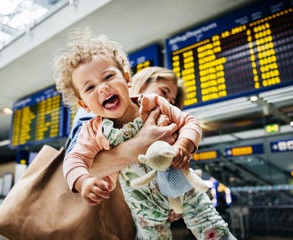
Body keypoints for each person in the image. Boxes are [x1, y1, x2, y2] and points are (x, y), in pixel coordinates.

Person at [53, 30, 234, 240]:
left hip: (179, 184)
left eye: (109, 76)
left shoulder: (154, 105)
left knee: (209, 223)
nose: (103, 87)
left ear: (126, 78)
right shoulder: (92, 131)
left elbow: (190, 122)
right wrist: (83, 181)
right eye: (90, 87)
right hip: (141, 205)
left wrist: (184, 144)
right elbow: (74, 159)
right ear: (84, 104)